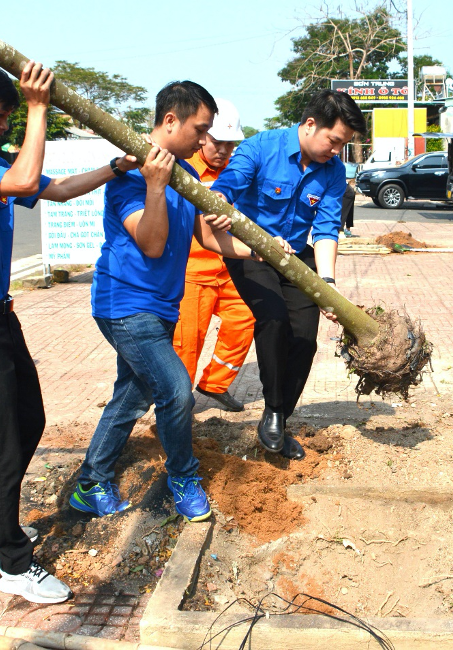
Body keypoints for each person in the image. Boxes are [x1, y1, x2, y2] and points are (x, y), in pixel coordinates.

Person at [0, 62, 136, 605]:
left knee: (30, 422)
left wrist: (113, 167)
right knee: (0, 445)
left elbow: (55, 189)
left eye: (11, 119)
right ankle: (14, 564)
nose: (3, 129)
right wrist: (38, 107)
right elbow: (20, 181)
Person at [70, 81, 280, 522]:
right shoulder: (132, 175)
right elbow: (150, 242)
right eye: (200, 130)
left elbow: (203, 235)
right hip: (125, 304)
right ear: (171, 121)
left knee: (131, 397)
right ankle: (183, 475)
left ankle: (91, 481)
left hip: (163, 304)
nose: (205, 141)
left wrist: (257, 248)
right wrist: (154, 186)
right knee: (176, 390)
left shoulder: (183, 175)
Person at [211, 90, 366, 458]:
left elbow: (327, 229)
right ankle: (276, 412)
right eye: (334, 141)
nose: (336, 151)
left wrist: (326, 284)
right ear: (311, 124)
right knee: (274, 318)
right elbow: (226, 188)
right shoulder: (260, 148)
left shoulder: (332, 171)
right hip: (252, 252)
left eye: (342, 145)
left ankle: (277, 415)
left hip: (296, 258)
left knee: (304, 339)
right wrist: (220, 203)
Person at [173, 98, 255, 414]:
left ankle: (214, 384)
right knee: (187, 341)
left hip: (230, 267)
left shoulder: (239, 171)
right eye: (218, 142)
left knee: (245, 320)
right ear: (204, 136)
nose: (223, 150)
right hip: (194, 272)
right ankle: (178, 401)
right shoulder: (186, 169)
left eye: (230, 144)